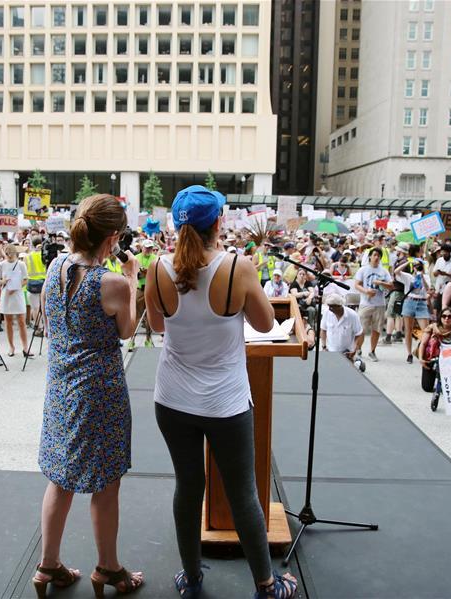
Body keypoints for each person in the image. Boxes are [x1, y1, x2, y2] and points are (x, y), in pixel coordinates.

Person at [144, 185, 298, 598]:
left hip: (173, 399)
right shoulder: (237, 267)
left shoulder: (157, 268)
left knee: (187, 486)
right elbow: (265, 324)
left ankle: (192, 579)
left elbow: (157, 326)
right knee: (243, 492)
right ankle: (266, 585)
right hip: (225, 403)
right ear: (218, 222)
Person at [33, 194, 144, 598]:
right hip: (99, 391)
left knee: (60, 479)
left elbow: (50, 320)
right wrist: (132, 278)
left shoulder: (54, 267)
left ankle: (48, 565)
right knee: (106, 482)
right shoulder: (109, 282)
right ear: (113, 237)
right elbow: (127, 330)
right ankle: (108, 568)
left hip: (61, 387)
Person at [353, 247, 392, 362]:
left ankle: (372, 351)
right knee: (361, 328)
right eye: (374, 255)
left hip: (380, 303)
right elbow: (357, 284)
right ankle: (358, 349)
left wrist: (380, 283)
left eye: (379, 256)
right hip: (365, 303)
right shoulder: (363, 269)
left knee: (377, 329)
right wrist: (366, 291)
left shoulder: (384, 271)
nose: (376, 257)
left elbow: (391, 285)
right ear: (370, 256)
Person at [393, 258, 431, 363]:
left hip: (421, 303)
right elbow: (396, 271)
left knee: (426, 330)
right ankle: (409, 353)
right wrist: (408, 262)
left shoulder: (426, 276)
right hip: (409, 302)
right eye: (415, 266)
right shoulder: (408, 277)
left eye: (419, 266)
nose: (417, 267)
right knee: (408, 330)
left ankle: (422, 351)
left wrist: (422, 276)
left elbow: (428, 289)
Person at [0, 244, 31, 357]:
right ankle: (11, 346)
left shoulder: (21, 264)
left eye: (11, 253)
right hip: (6, 294)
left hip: (17, 294)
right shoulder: (1, 265)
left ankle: (25, 347)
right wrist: (3, 281)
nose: (9, 255)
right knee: (8, 321)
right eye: (7, 253)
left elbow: (25, 279)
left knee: (21, 321)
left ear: (15, 253)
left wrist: (16, 287)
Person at [130, 239, 158, 350]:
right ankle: (132, 340)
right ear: (142, 248)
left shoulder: (155, 259)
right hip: (140, 289)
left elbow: (157, 274)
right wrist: (140, 274)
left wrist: (149, 273)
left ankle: (148, 340)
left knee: (149, 316)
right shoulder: (136, 258)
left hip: (150, 290)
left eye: (150, 247)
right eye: (146, 247)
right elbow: (131, 273)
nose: (148, 250)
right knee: (136, 315)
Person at [320, 294, 363, 366]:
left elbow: (358, 334)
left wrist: (354, 349)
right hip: (331, 351)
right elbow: (323, 330)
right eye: (329, 306)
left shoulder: (352, 315)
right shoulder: (327, 313)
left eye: (332, 306)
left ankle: (357, 362)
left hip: (347, 352)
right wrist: (324, 346)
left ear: (339, 306)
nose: (330, 309)